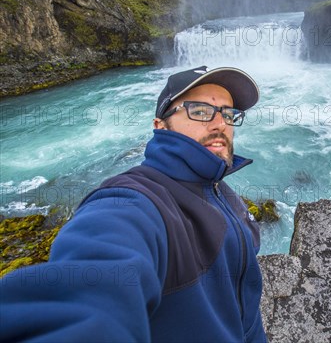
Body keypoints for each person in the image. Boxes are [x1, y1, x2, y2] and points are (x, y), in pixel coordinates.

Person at [0, 66, 267, 342]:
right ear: (160, 125)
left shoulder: (225, 195)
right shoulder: (131, 200)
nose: (220, 124)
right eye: (199, 111)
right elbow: (94, 284)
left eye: (228, 114)